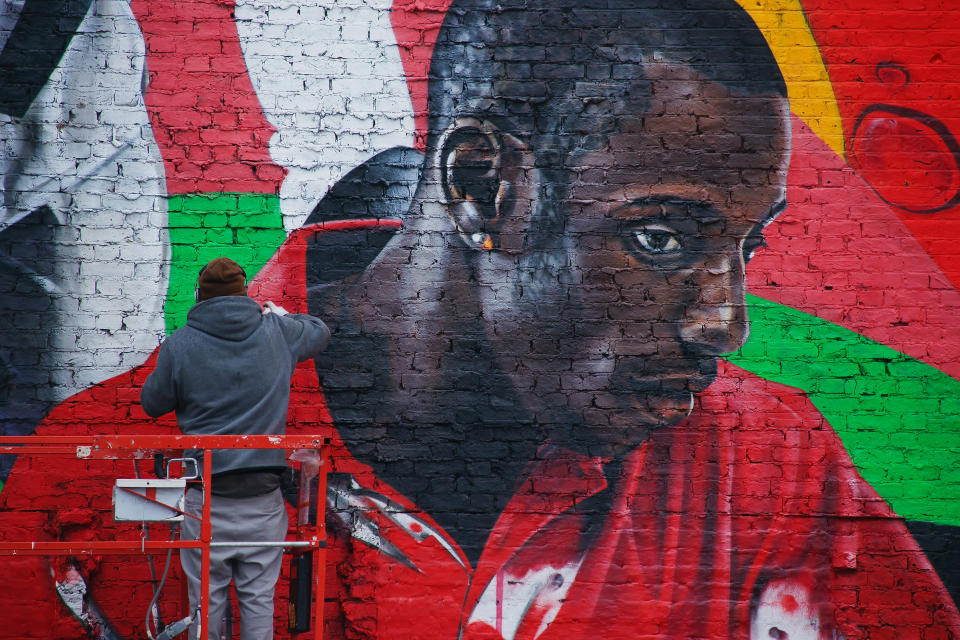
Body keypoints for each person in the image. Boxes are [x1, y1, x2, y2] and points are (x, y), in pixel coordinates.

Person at [296, 0, 960, 637]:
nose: (726, 325)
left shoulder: (770, 469)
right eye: (661, 238)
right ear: (480, 186)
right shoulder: (206, 441)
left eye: (747, 245)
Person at [140, 257, 330, 640]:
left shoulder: (181, 344)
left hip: (206, 498)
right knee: (258, 604)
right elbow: (320, 332)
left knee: (205, 609)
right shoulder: (277, 330)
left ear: (199, 297)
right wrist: (283, 313)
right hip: (263, 497)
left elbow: (152, 403)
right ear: (245, 294)